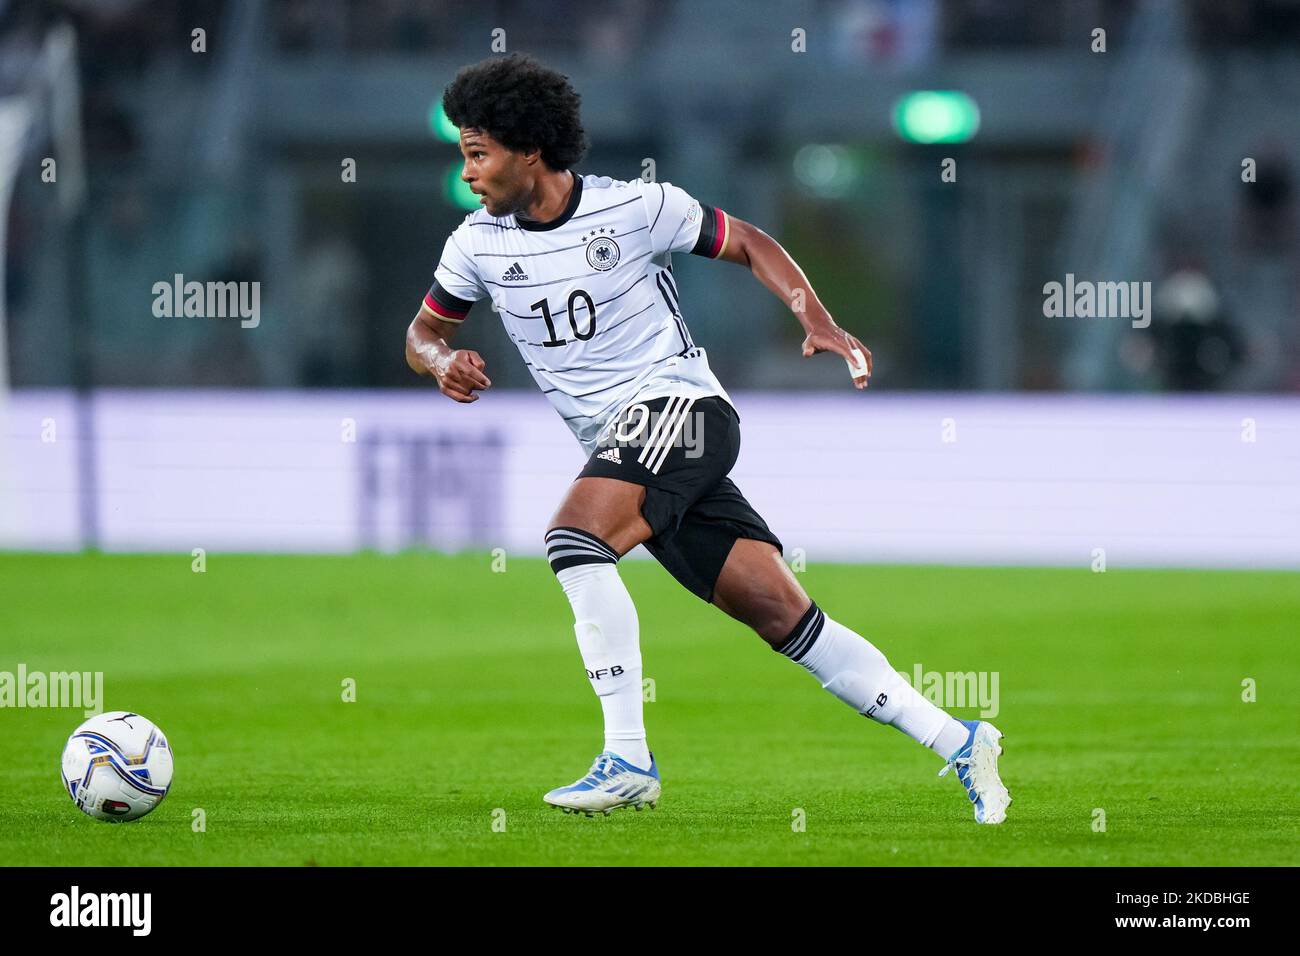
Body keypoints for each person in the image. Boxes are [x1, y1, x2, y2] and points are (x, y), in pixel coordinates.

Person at [405, 53, 1009, 824]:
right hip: (626, 447)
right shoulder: (475, 245)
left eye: (479, 153)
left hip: (682, 412)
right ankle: (959, 739)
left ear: (530, 150)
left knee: (574, 542)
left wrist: (813, 315)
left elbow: (751, 241)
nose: (469, 173)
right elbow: (422, 332)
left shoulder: (634, 209)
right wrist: (440, 361)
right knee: (785, 618)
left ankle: (626, 756)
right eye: (464, 154)